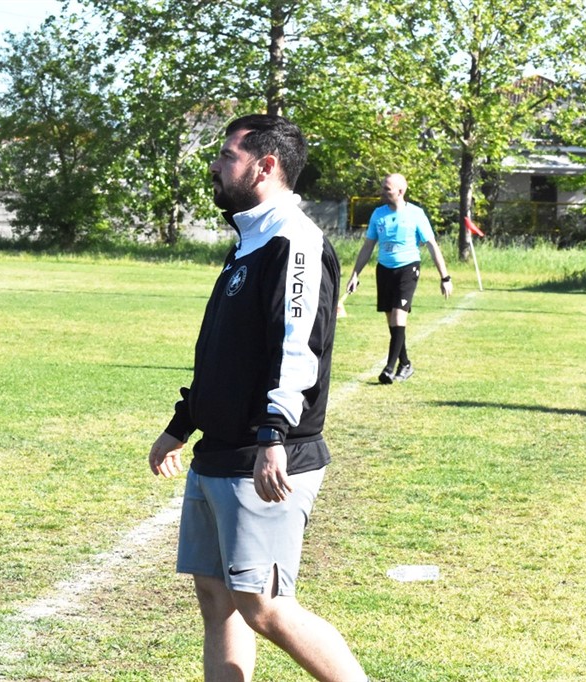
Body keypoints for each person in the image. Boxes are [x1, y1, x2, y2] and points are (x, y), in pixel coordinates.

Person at [148, 114, 367, 682]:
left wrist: (274, 435)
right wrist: (182, 424)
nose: (216, 166)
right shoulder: (251, 237)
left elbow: (298, 346)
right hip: (220, 450)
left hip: (265, 451)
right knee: (217, 597)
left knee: (264, 606)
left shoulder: (294, 240)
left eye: (228, 156)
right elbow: (226, 351)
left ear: (264, 166)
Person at [346, 173, 452, 384]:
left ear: (400, 191)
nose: (382, 192)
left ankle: (389, 368)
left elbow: (432, 245)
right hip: (384, 270)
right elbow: (368, 246)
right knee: (392, 321)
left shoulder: (416, 214)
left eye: (387, 188)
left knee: (398, 317)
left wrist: (445, 277)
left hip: (408, 268)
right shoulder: (378, 214)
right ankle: (405, 363)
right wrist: (355, 274)